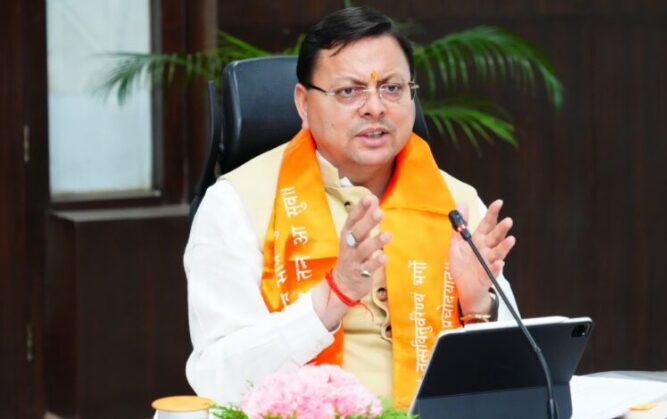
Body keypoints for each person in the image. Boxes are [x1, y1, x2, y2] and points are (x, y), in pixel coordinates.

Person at [184, 6, 519, 408]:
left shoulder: (455, 205)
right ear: (303, 103)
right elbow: (217, 378)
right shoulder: (237, 203)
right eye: (349, 91)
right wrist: (331, 297)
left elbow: (520, 370)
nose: (375, 107)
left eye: (392, 88)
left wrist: (477, 306)